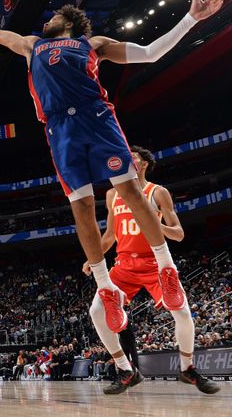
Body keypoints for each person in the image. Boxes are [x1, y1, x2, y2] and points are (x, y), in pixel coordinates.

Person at [0, 0, 225, 390]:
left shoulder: (92, 43)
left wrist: (192, 18)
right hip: (60, 128)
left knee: (132, 192)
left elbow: (151, 51)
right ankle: (106, 288)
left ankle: (166, 265)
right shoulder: (32, 45)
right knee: (81, 207)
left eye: (53, 16)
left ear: (69, 21)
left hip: (97, 118)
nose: (44, 20)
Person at [83, 146, 220, 395]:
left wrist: (155, 222)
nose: (126, 159)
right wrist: (94, 258)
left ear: (144, 163)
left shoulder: (158, 192)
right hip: (124, 265)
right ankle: (126, 370)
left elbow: (178, 234)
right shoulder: (113, 194)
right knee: (96, 311)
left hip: (155, 263)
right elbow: (110, 235)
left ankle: (187, 368)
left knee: (183, 313)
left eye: (132, 156)